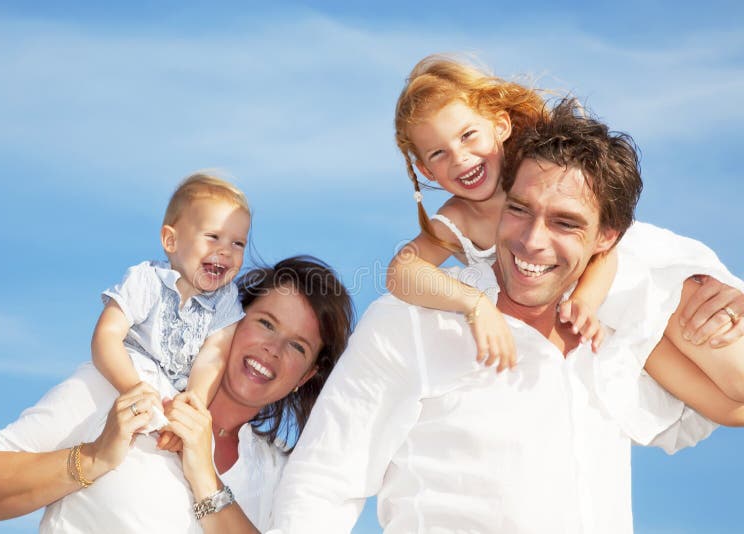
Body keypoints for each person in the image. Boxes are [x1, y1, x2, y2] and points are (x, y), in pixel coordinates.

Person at [268, 100, 744, 533]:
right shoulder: (411, 323)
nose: (532, 240)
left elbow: (731, 403)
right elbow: (321, 486)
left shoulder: (616, 339)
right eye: (519, 209)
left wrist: (722, 306)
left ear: (606, 240)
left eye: (565, 222)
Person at [387, 55, 744, 398]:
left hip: (627, 278)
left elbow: (608, 250)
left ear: (500, 125)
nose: (460, 157)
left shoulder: (540, 172)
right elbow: (401, 271)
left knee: (737, 379)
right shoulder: (458, 219)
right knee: (727, 409)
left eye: (467, 135)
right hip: (599, 320)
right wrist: (473, 303)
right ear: (426, 171)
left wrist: (585, 299)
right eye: (438, 153)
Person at [0, 256, 355, 533]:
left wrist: (206, 480)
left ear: (307, 376)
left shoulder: (282, 473)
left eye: (298, 346)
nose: (273, 349)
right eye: (266, 323)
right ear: (230, 320)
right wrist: (94, 457)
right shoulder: (126, 385)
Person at [93, 172, 251, 436]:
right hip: (117, 378)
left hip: (167, 400)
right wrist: (132, 388)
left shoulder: (226, 299)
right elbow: (106, 337)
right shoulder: (147, 280)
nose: (226, 250)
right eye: (213, 236)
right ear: (171, 241)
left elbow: (213, 357)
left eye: (238, 243)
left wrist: (194, 403)